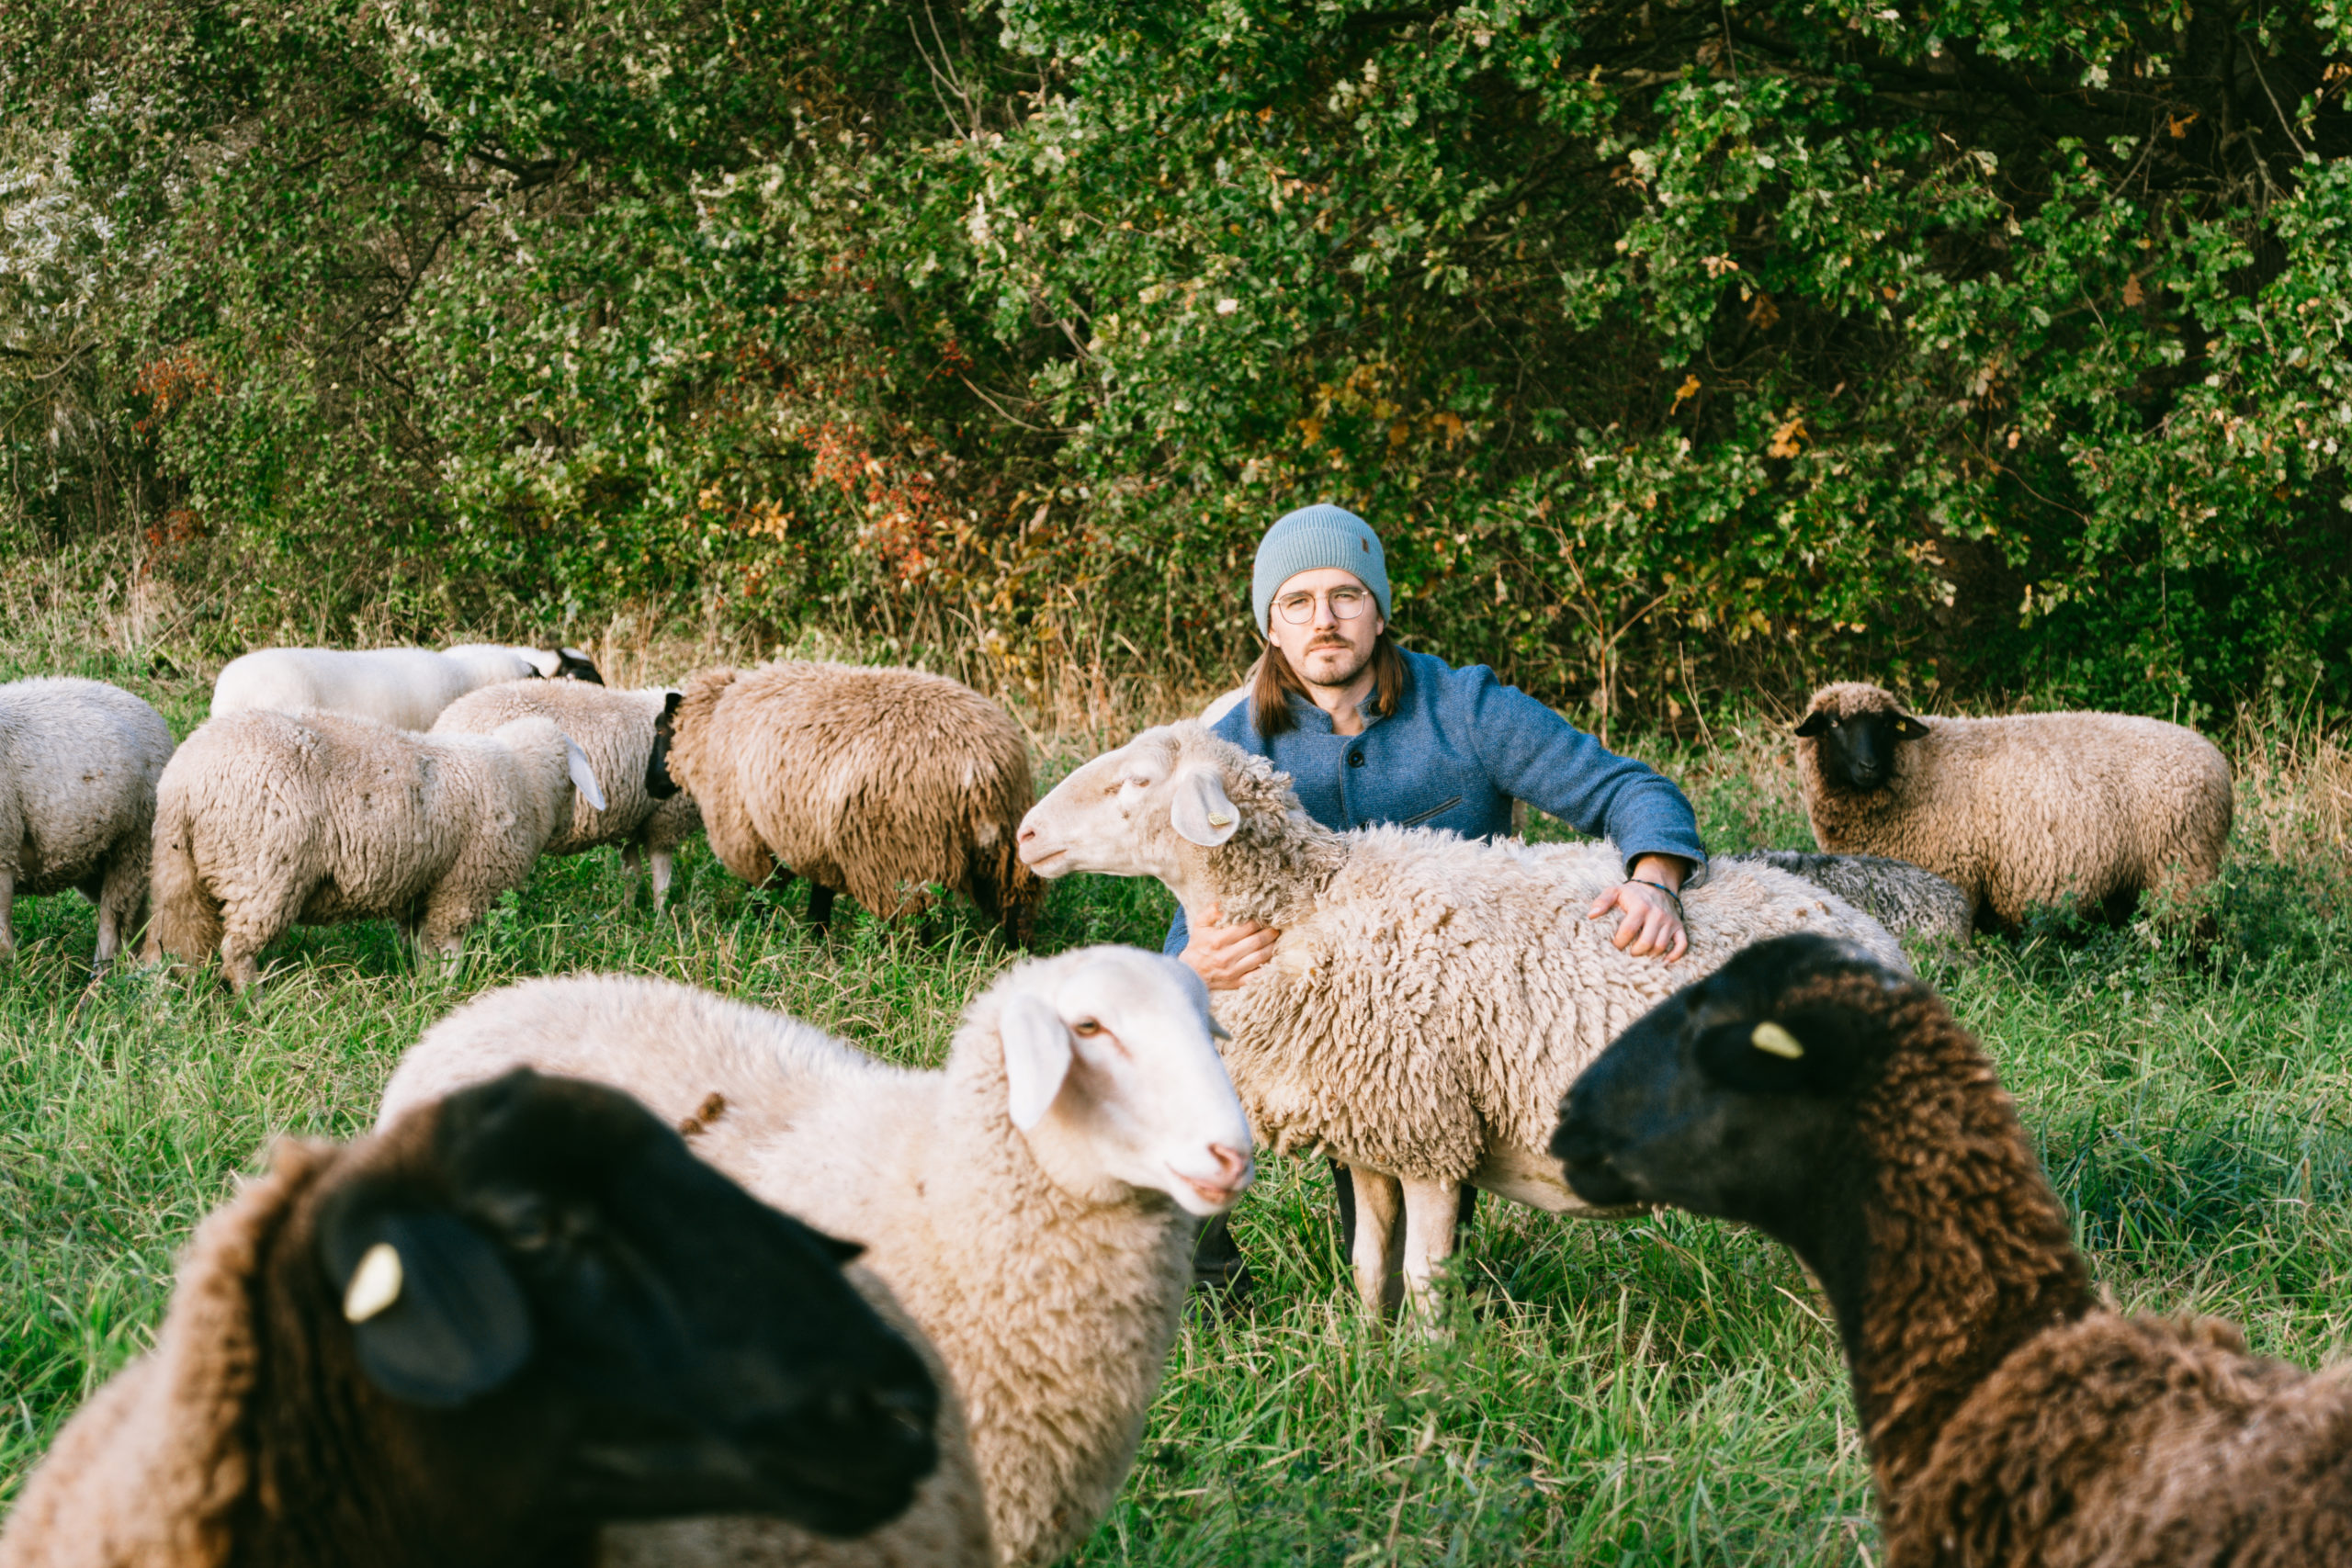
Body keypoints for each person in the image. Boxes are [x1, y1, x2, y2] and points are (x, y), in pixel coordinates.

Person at [1177, 504, 1707, 1300]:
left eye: (1347, 595)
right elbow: (1194, 902)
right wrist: (1187, 963)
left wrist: (1654, 878)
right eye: (1298, 602)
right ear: (1271, 628)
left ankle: (1424, 1283)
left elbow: (1631, 788)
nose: (1324, 620)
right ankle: (1209, 1281)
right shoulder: (1233, 744)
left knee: (1400, 1253)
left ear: (1381, 611)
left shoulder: (1466, 709)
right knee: (1176, 1090)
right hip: (1297, 1022)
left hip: (1435, 1043)